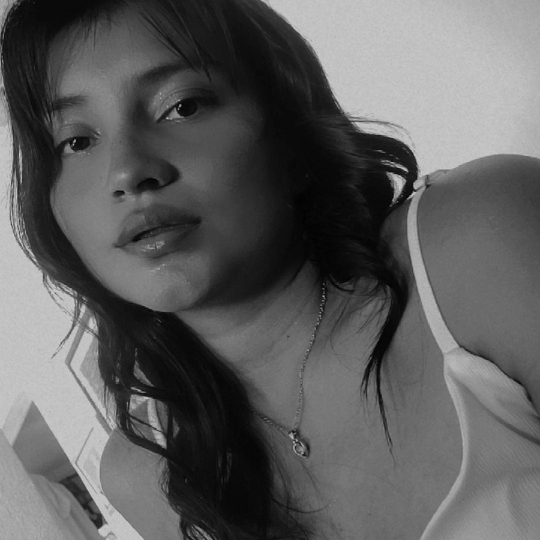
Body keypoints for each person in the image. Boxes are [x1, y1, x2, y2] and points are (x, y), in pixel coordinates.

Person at [2, 0, 540, 539]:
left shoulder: (482, 239)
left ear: (288, 127)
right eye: (76, 141)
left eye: (183, 106)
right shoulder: (147, 477)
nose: (128, 171)